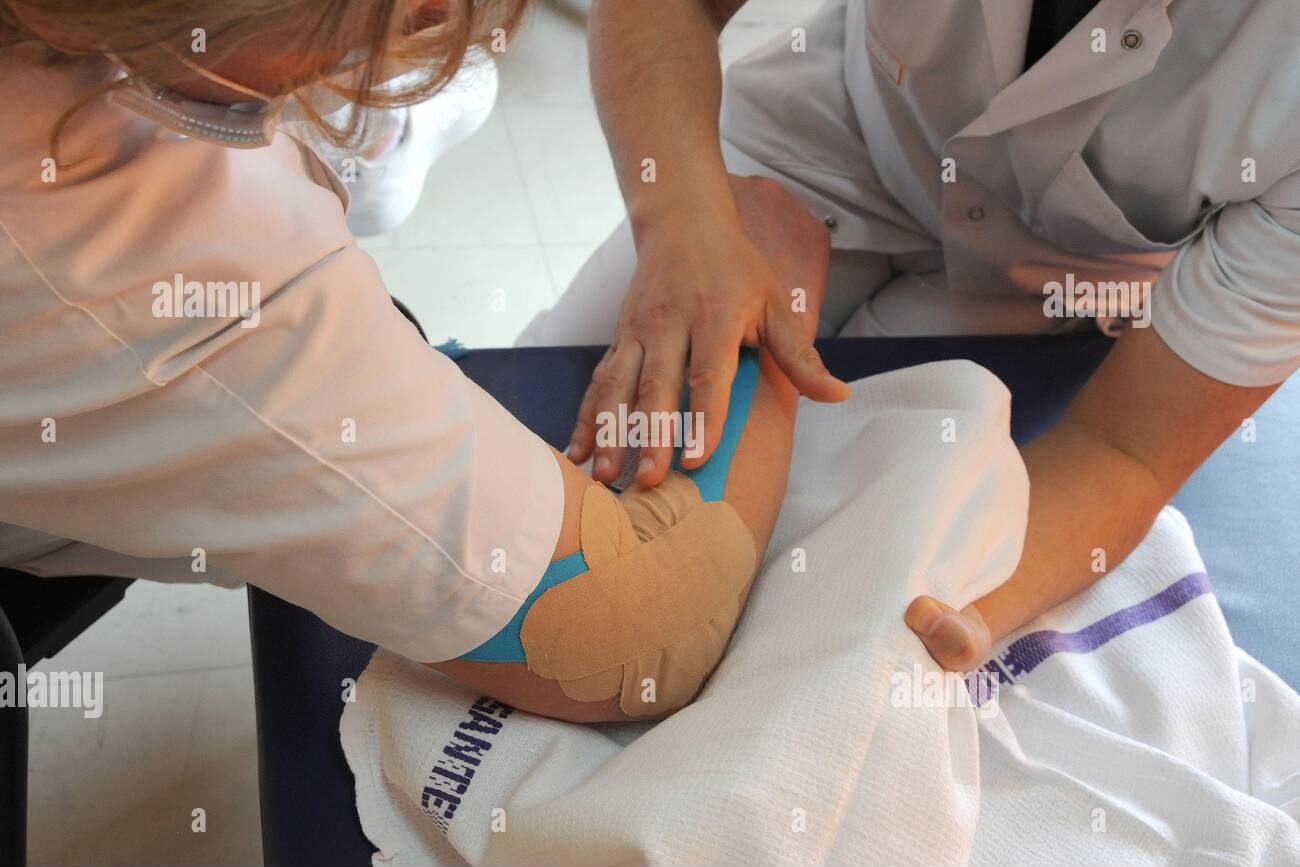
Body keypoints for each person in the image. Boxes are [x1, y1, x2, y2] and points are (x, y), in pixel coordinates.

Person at [0, 0, 821, 721]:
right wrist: (772, 291)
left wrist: (688, 210)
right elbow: (638, 637)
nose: (435, 19)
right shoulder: (184, 274)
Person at [519, 0, 1299, 670]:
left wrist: (959, 612)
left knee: (813, 576)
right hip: (826, 139)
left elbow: (1126, 450)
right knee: (556, 448)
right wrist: (684, 219)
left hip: (1060, 284)